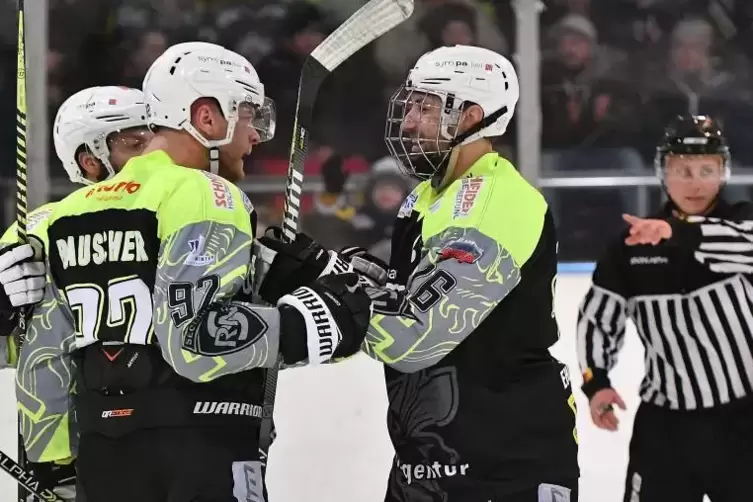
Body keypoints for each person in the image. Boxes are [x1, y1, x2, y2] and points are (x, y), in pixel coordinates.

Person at [17, 42, 372, 502]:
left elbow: (45, 353)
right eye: (247, 115)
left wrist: (53, 464)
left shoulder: (65, 213)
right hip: (199, 448)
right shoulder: (204, 192)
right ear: (207, 118)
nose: (256, 135)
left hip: (103, 461)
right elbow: (193, 342)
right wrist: (312, 323)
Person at [361, 44, 580, 502]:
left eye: (424, 107)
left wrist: (321, 317)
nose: (408, 122)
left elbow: (413, 336)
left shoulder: (493, 202)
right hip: (427, 462)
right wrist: (332, 274)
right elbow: (407, 298)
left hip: (506, 467)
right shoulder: (425, 197)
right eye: (411, 106)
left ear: (470, 116)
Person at [577, 115, 753, 501]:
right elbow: (597, 319)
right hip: (666, 430)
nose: (695, 181)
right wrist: (597, 382)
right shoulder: (631, 246)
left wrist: (679, 233)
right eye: (682, 170)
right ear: (663, 172)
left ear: (723, 172)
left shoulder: (742, 224)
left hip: (744, 422)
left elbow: (745, 246)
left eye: (707, 169)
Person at [0, 85, 151, 500]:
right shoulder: (36, 231)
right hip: (58, 464)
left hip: (159, 443)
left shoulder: (176, 211)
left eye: (155, 139)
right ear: (90, 159)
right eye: (134, 143)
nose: (153, 155)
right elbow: (11, 345)